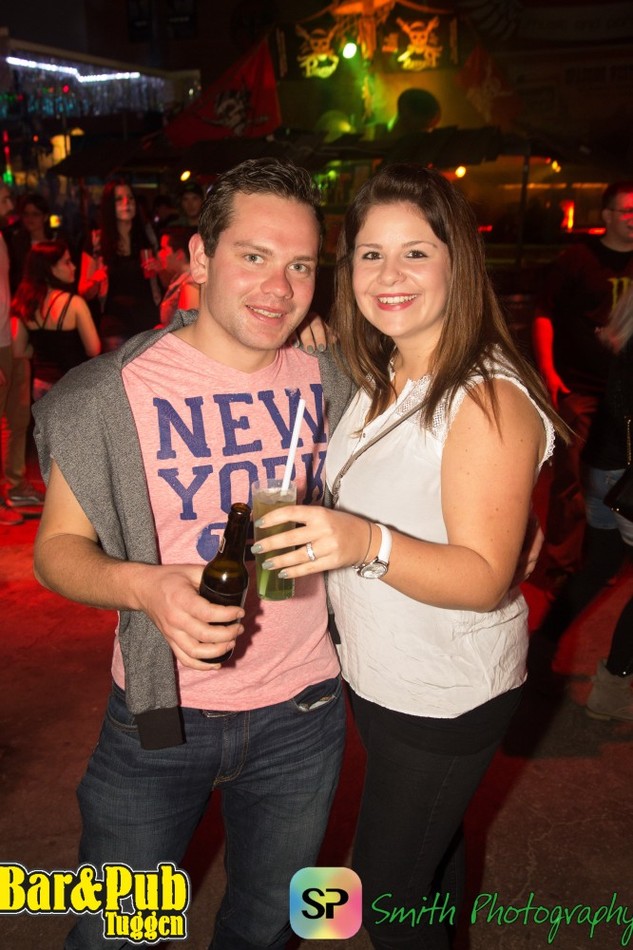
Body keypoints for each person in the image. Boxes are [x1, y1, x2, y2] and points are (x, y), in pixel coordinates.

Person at [32, 158, 348, 950]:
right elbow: (57, 551)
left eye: (300, 265)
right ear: (200, 257)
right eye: (253, 256)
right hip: (159, 718)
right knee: (118, 933)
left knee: (266, 927)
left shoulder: (335, 378)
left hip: (305, 713)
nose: (279, 287)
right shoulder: (108, 394)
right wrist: (144, 586)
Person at [251, 163, 566, 949]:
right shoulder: (383, 371)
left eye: (414, 253)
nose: (388, 275)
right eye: (369, 254)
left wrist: (364, 542)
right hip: (384, 675)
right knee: (433, 855)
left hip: (443, 691)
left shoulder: (483, 395)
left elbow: (485, 576)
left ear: (457, 262)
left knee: (387, 889)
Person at [533, 286, 633, 719]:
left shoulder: (623, 337)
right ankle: (614, 685)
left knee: (599, 565)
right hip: (622, 476)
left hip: (605, 470)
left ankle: (539, 650)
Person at [532, 181, 633, 589]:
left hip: (627, 396)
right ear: (607, 215)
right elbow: (544, 312)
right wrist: (548, 372)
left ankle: (606, 558)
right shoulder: (577, 260)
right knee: (574, 478)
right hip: (583, 390)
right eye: (627, 211)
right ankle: (563, 565)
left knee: (618, 477)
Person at [11, 240, 101, 401]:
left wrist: (42, 349)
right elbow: (93, 349)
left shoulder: (24, 302)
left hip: (41, 384)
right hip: (72, 385)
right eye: (67, 262)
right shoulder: (74, 303)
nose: (74, 267)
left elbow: (18, 351)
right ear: (50, 269)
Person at [78, 178, 160, 351]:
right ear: (109, 205)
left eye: (130, 198)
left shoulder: (148, 235)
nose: (126, 203)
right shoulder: (96, 241)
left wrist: (160, 268)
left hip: (149, 323)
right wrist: (96, 280)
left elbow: (170, 279)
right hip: (115, 325)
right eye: (118, 199)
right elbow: (84, 291)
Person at [0, 182, 25, 525]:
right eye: (4, 198)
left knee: (9, 422)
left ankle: (10, 490)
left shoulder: (4, 237)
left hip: (5, 340)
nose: (10, 203)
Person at [156, 224, 198, 325]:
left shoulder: (192, 284)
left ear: (179, 255)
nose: (159, 254)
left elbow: (188, 326)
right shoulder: (180, 277)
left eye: (164, 249)